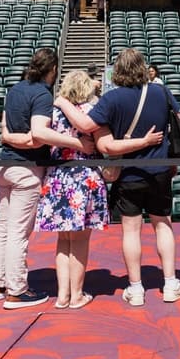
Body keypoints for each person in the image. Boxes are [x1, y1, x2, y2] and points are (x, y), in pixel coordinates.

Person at [55, 47, 180, 307]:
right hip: (160, 169)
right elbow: (178, 119)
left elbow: (92, 133)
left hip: (128, 172)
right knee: (163, 225)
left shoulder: (111, 99)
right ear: (142, 67)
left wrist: (62, 102)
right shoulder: (160, 90)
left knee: (130, 230)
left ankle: (136, 289)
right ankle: (170, 283)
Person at [0, 47, 93, 310]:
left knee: (3, 229)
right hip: (25, 170)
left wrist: (15, 139)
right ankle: (16, 291)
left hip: (3, 166)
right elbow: (39, 132)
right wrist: (77, 144)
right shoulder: (42, 94)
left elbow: (3, 130)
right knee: (17, 233)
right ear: (53, 70)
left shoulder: (14, 90)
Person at [37, 70, 108, 310]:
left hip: (57, 177)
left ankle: (62, 295)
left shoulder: (53, 112)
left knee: (63, 239)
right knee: (79, 239)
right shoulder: (90, 112)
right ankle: (76, 295)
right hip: (82, 177)